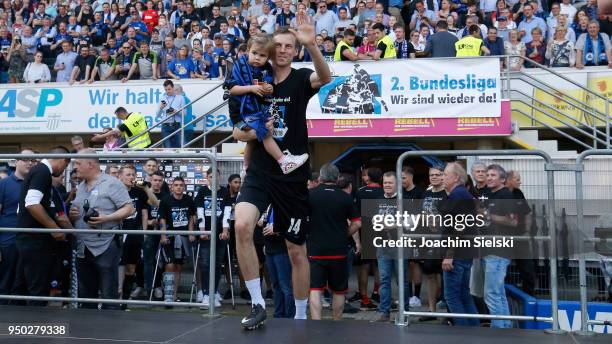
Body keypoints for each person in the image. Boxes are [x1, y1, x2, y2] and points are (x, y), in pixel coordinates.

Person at [232, 21, 331, 329]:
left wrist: (312, 44)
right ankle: (258, 304)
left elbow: (325, 78)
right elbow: (236, 130)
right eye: (280, 46)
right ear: (270, 51)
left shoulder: (301, 78)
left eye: (291, 46)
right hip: (261, 171)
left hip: (292, 174)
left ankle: (301, 318)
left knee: (296, 250)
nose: (285, 50)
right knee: (242, 225)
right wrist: (255, 133)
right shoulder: (254, 78)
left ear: (295, 50)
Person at [227, 34, 308, 175]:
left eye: (262, 55)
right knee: (264, 132)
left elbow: (266, 85)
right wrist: (251, 88)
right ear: (247, 51)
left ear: (268, 57)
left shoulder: (265, 69)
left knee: (252, 141)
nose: (257, 57)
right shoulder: (239, 66)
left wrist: (268, 88)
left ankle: (245, 167)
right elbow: (232, 90)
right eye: (254, 53)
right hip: (241, 114)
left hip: (253, 110)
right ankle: (283, 160)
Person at [69, 149, 134, 310]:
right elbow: (77, 213)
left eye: (78, 163)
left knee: (108, 293)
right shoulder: (81, 186)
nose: (76, 167)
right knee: (85, 293)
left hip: (106, 245)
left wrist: (107, 218)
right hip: (83, 246)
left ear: (90, 164)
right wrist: (72, 214)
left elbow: (129, 208)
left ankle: (109, 331)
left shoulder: (112, 183)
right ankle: (86, 330)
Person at [14, 146, 70, 306]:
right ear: (62, 160)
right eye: (66, 166)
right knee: (38, 290)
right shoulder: (42, 172)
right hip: (34, 241)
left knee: (21, 288)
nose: (64, 171)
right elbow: (31, 204)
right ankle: (37, 328)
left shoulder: (38, 171)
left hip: (28, 239)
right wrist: (54, 228)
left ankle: (16, 327)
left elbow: (21, 209)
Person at [308, 163, 361, 321]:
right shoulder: (345, 197)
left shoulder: (310, 195)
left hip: (316, 250)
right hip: (338, 250)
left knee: (315, 289)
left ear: (320, 178)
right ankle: (336, 322)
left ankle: (316, 323)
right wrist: (344, 235)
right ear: (337, 178)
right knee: (339, 290)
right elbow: (357, 223)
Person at [440, 162, 480, 326]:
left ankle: (463, 332)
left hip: (457, 254)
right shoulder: (464, 195)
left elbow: (459, 226)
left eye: (445, 175)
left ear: (456, 177)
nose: (442, 178)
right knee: (463, 294)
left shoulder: (457, 196)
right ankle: (474, 330)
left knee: (452, 296)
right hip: (466, 253)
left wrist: (449, 255)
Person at [371, 171, 408, 322]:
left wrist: (388, 224)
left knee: (402, 281)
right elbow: (374, 221)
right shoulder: (378, 199)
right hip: (383, 246)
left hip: (400, 246)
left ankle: (404, 313)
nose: (387, 185)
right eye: (385, 183)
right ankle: (384, 313)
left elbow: (408, 223)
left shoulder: (404, 200)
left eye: (390, 183)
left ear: (397, 184)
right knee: (384, 280)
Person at [482, 164, 517, 328]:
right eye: (487, 175)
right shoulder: (492, 195)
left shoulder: (506, 196)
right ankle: (504, 326)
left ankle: (498, 329)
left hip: (499, 250)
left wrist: (489, 216)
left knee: (492, 293)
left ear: (502, 179)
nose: (488, 177)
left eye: (493, 175)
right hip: (492, 249)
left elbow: (513, 221)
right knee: (498, 292)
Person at [0, 149, 35, 303]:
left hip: (30, 241)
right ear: (16, 162)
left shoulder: (36, 183)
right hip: (8, 240)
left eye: (33, 161)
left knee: (26, 283)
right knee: (6, 281)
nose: (29, 163)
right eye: (25, 159)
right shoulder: (4, 184)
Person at [194, 168, 230, 308]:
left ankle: (214, 293)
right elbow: (200, 212)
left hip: (220, 234)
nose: (213, 179)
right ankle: (205, 294)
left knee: (217, 264)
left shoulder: (225, 192)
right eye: (210, 176)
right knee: (206, 264)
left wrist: (225, 231)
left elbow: (227, 213)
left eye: (216, 176)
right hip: (206, 234)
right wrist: (202, 231)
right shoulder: (203, 191)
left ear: (219, 177)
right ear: (207, 178)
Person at [349, 167, 383, 310]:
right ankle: (376, 292)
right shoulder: (385, 192)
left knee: (364, 266)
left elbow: (354, 214)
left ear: (369, 177)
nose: (363, 177)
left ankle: (364, 297)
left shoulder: (360, 192)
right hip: (382, 231)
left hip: (364, 231)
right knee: (380, 264)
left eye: (365, 175)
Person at [158, 177, 195, 304]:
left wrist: (190, 233)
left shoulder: (189, 199)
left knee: (178, 267)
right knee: (169, 265)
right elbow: (162, 219)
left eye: (181, 185)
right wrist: (163, 236)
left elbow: (190, 217)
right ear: (172, 187)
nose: (179, 187)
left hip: (184, 237)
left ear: (184, 187)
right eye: (176, 185)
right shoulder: (166, 200)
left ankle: (174, 295)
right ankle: (167, 295)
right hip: (170, 236)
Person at [117, 165, 149, 309]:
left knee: (131, 268)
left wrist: (144, 232)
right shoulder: (115, 191)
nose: (131, 178)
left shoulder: (138, 191)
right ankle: (114, 298)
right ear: (120, 176)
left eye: (133, 175)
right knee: (117, 267)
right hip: (118, 234)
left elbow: (152, 206)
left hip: (135, 235)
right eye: (128, 175)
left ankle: (124, 301)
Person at [418, 165, 447, 321]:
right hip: (429, 241)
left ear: (444, 176)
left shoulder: (448, 193)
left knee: (446, 276)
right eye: (431, 175)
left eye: (437, 174)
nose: (434, 177)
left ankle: (450, 312)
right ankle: (431, 310)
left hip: (445, 241)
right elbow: (422, 213)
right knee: (430, 275)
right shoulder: (427, 193)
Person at [505, 170, 535, 296]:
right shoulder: (500, 194)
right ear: (509, 180)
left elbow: (527, 213)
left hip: (520, 238)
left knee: (528, 269)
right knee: (502, 270)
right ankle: (506, 297)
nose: (520, 182)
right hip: (504, 239)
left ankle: (529, 298)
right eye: (517, 179)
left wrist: (527, 231)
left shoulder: (518, 193)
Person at [157, 79, 186, 148]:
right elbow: (157, 115)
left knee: (178, 148)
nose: (167, 91)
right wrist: (160, 108)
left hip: (177, 125)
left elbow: (184, 114)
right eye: (166, 90)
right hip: (165, 125)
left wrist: (176, 111)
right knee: (167, 148)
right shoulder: (162, 98)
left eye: (169, 89)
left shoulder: (180, 98)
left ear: (173, 88)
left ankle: (177, 159)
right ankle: (168, 159)